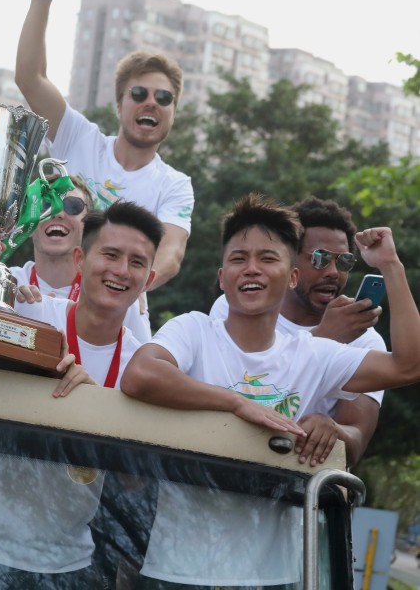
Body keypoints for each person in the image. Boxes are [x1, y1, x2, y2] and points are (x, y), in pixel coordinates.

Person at [120, 193, 420, 588]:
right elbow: (140, 375)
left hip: (271, 574)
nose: (252, 270)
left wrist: (391, 266)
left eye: (268, 258)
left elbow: (408, 365)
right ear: (222, 275)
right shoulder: (193, 328)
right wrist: (237, 403)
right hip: (177, 568)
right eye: (239, 259)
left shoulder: (315, 354)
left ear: (290, 276)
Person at [0, 201, 164, 587]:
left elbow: (133, 481)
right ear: (80, 258)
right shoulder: (30, 316)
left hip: (62, 562)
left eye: (137, 263)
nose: (122, 271)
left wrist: (101, 410)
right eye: (110, 254)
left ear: (150, 278)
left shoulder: (141, 372)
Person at [17, 0, 194, 339]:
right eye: (139, 94)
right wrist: (41, 3)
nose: (151, 102)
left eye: (164, 98)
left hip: (121, 318)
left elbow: (173, 251)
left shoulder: (174, 184)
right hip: (49, 304)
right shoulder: (81, 138)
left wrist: (136, 281)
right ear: (119, 104)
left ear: (173, 111)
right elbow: (30, 79)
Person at [209, 196, 385, 468]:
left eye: (344, 262)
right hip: (218, 465)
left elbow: (355, 444)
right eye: (319, 259)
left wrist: (332, 430)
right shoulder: (235, 307)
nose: (333, 272)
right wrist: (325, 337)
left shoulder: (365, 339)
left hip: (298, 491)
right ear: (290, 262)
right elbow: (232, 396)